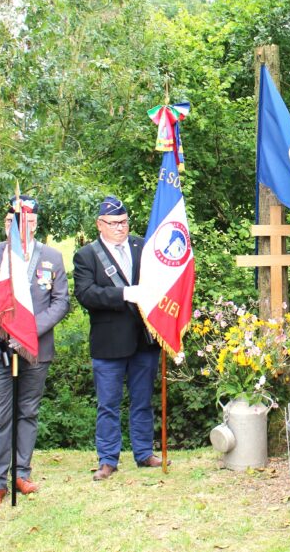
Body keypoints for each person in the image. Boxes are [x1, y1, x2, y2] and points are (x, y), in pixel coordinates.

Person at [0, 195, 69, 513]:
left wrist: (29, 330)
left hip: (35, 349)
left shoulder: (51, 257)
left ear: (35, 223)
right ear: (6, 223)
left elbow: (61, 302)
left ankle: (21, 473)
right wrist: (2, 323)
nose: (19, 226)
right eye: (13, 221)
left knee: (27, 412)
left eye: (26, 221)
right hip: (0, 350)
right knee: (1, 417)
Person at [73, 195, 164, 481]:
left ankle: (144, 452)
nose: (120, 228)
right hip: (109, 341)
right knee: (108, 404)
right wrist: (124, 293)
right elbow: (86, 294)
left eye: (123, 222)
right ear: (100, 224)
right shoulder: (87, 255)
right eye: (113, 223)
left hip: (143, 338)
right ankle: (108, 458)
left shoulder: (143, 246)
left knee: (142, 400)